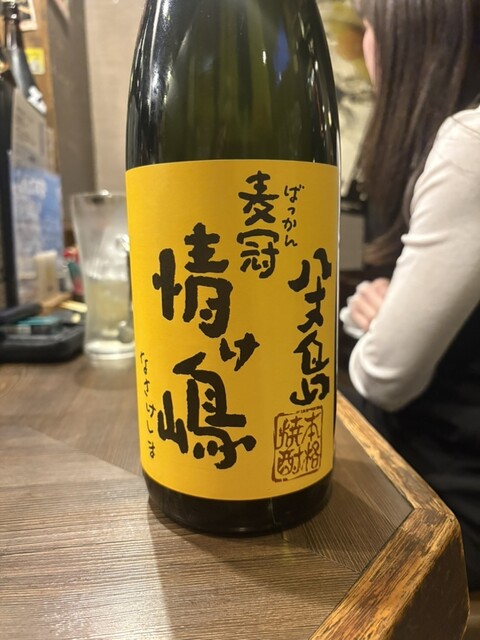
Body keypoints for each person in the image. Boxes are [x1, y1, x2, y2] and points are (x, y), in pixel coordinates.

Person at [341, 0, 480, 589]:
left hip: (456, 507)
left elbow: (385, 376)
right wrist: (386, 311)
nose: (363, 45)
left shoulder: (469, 142)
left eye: (367, 26)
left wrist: (380, 325)